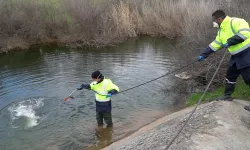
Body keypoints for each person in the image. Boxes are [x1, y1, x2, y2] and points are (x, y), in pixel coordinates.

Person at [197, 10, 250, 111]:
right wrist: (204, 54)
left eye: (214, 20)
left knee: (249, 79)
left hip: (247, 54)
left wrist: (231, 41)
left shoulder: (235, 21)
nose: (214, 23)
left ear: (220, 19)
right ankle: (227, 95)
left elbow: (245, 33)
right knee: (230, 76)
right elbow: (216, 44)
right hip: (235, 56)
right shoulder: (221, 31)